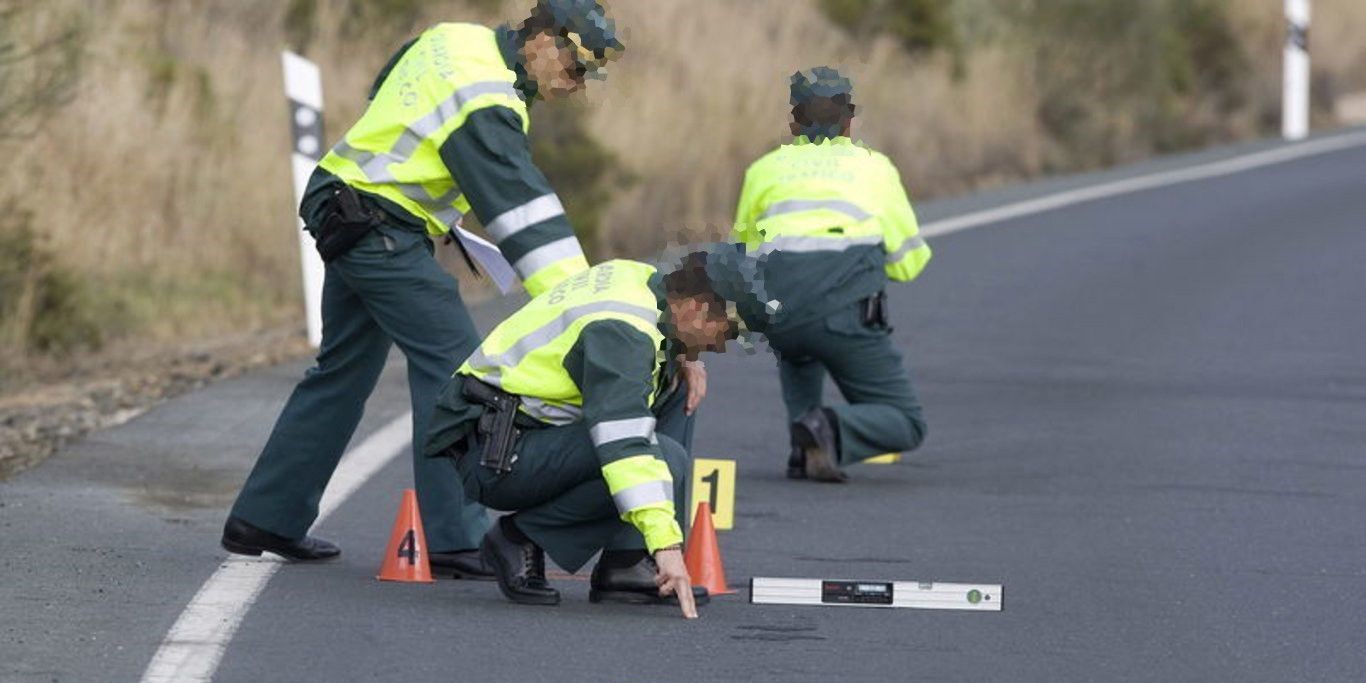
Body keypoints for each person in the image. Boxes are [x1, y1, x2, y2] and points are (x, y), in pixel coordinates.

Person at [221, 0, 623, 578]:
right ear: (540, 42)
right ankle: (456, 537)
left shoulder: (456, 39)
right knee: (455, 367)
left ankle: (266, 516)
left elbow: (387, 86)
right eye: (575, 67)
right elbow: (526, 217)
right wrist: (587, 313)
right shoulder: (487, 98)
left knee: (341, 371)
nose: (576, 85)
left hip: (347, 201)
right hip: (379, 223)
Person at [424, 249, 774, 619]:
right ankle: (520, 536)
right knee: (661, 458)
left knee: (679, 385)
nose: (722, 344)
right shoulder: (622, 332)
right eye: (727, 331)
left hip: (518, 430)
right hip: (495, 456)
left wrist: (685, 356)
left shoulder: (642, 278)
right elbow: (623, 443)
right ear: (697, 307)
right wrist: (666, 544)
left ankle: (628, 561)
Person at [730, 66, 932, 483]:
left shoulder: (764, 169)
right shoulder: (874, 167)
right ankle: (829, 428)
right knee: (906, 421)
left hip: (778, 312)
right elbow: (910, 261)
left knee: (797, 343)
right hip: (841, 314)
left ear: (793, 121)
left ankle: (802, 447)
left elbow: (743, 254)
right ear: (849, 120)